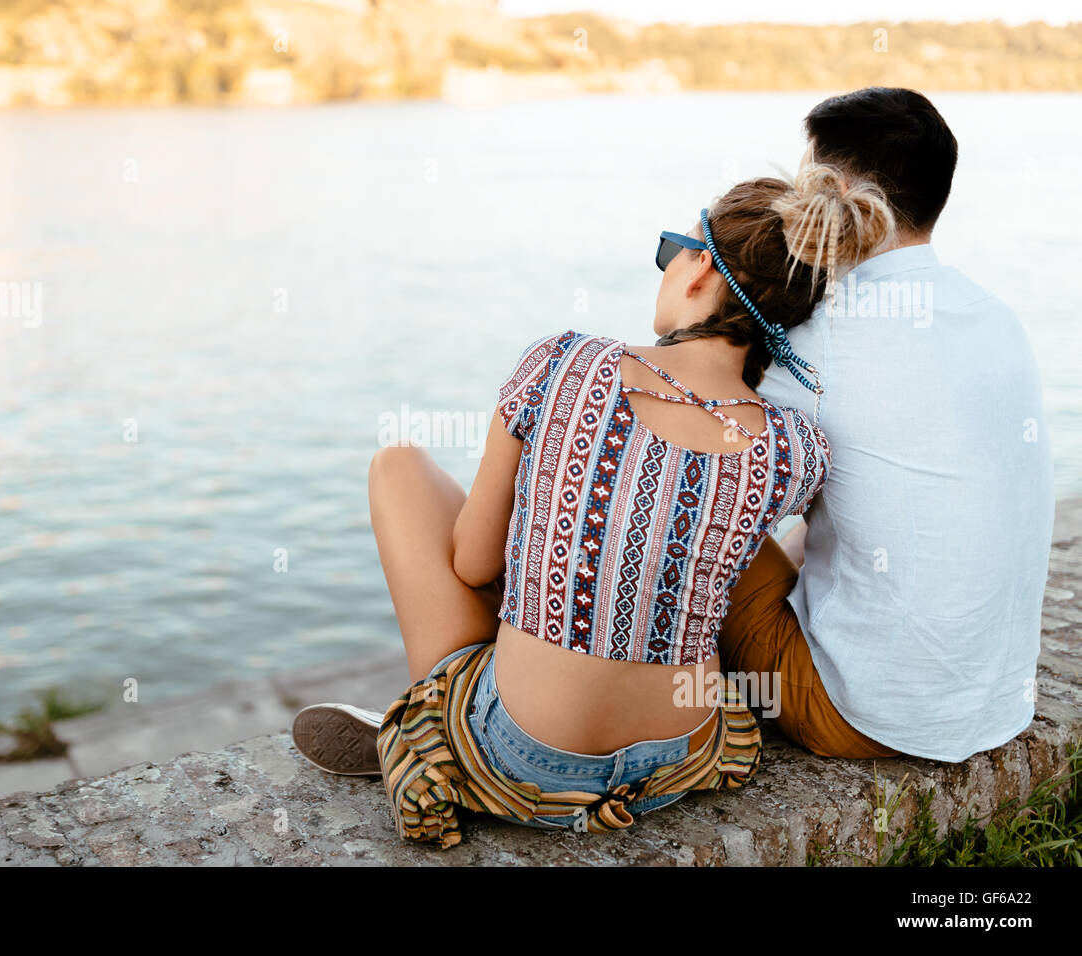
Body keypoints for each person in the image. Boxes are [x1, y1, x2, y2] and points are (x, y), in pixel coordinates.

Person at [293, 162, 894, 843]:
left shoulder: (562, 363)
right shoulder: (797, 448)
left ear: (700, 269)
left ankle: (445, 720)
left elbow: (470, 562)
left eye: (672, 250)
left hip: (528, 755)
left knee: (396, 466)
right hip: (682, 754)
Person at [723, 87, 1054, 762]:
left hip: (868, 716)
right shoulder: (996, 315)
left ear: (836, 190)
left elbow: (711, 477)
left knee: (688, 509)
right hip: (997, 702)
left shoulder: (823, 334)